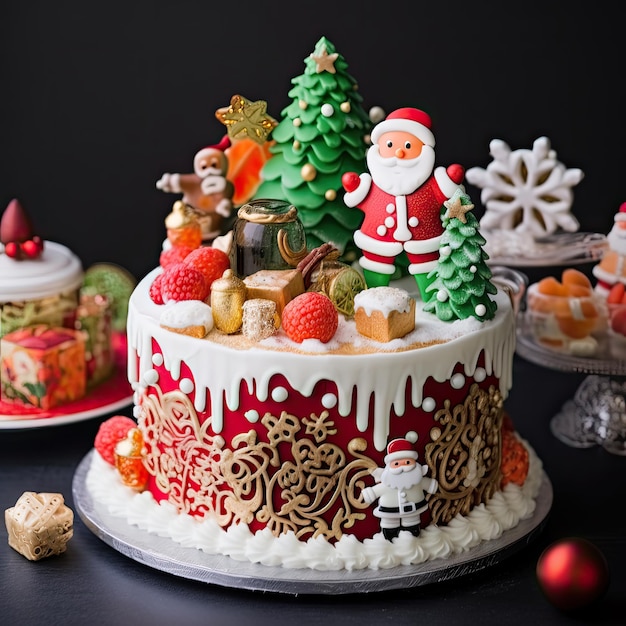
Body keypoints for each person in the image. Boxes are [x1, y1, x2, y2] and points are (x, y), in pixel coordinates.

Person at [342, 107, 464, 300]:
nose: (398, 153)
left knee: (428, 268)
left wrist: (450, 179)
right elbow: (357, 198)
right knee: (375, 267)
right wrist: (354, 186)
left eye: (408, 146)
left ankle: (432, 298)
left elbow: (448, 191)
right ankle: (373, 296)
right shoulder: (372, 186)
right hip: (377, 239)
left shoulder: (432, 186)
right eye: (390, 145)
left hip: (425, 240)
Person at [156, 135, 234, 243]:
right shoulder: (194, 182)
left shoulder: (225, 186)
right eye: (204, 167)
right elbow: (179, 181)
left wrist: (224, 205)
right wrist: (168, 182)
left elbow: (228, 195)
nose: (209, 170)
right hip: (189, 229)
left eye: (214, 165)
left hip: (216, 231)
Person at [361, 437, 438, 541]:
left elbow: (428, 485)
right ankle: (390, 534)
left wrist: (432, 486)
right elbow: (376, 491)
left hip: (414, 508)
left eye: (407, 462)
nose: (402, 467)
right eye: (396, 464)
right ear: (389, 466)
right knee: (389, 523)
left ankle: (412, 532)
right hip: (389, 510)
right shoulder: (387, 482)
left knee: (412, 522)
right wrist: (370, 494)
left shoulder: (417, 479)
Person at [592, 201, 626, 296]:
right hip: (606, 273)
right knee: (601, 293)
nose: (623, 226)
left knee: (619, 295)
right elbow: (601, 247)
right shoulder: (612, 238)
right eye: (622, 222)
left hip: (623, 280)